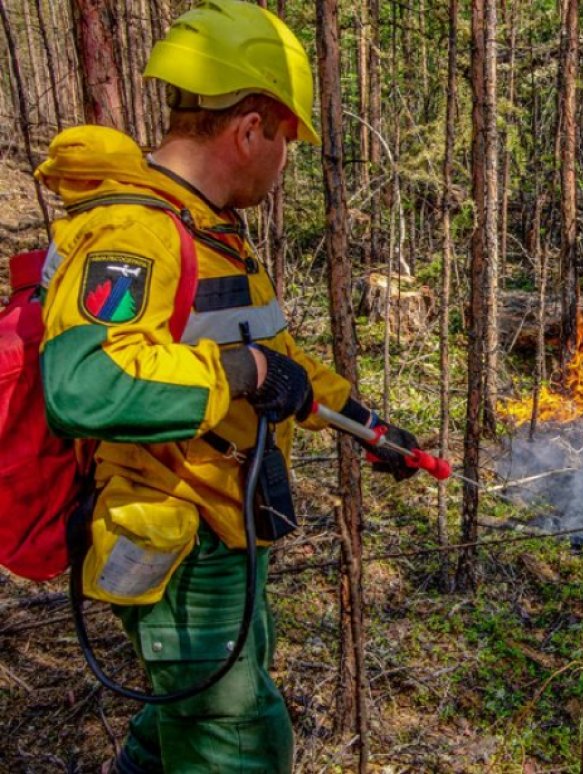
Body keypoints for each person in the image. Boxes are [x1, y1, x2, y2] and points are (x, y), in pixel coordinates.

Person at [37, 2, 419, 771]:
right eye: (287, 141)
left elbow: (269, 358)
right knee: (235, 742)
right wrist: (242, 374)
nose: (286, 163)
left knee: (178, 721)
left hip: (223, 528)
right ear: (251, 129)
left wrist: (365, 422)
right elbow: (85, 382)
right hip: (177, 539)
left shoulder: (206, 229)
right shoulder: (135, 233)